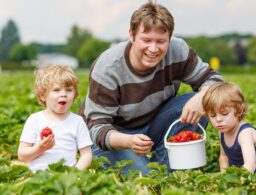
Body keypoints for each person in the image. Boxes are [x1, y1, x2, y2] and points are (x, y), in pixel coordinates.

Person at [79, 1, 223, 174]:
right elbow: (97, 128)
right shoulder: (108, 68)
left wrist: (202, 97)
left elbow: (214, 80)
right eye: (146, 40)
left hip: (153, 122)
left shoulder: (178, 50)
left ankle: (164, 169)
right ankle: (154, 172)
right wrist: (129, 141)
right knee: (145, 177)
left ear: (169, 37)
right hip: (114, 135)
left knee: (206, 100)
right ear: (131, 35)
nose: (153, 49)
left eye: (161, 41)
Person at [18, 64, 93, 172]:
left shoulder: (77, 121)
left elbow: (86, 155)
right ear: (43, 96)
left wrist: (74, 174)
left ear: (75, 95)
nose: (63, 94)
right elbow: (22, 155)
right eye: (56, 90)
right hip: (38, 178)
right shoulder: (34, 120)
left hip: (67, 178)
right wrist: (40, 148)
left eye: (68, 90)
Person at [202, 82, 256, 173]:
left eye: (224, 113)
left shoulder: (244, 133)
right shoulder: (222, 131)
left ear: (239, 110)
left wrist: (236, 181)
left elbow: (250, 165)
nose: (218, 119)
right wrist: (224, 176)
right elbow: (224, 156)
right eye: (213, 115)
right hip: (241, 175)